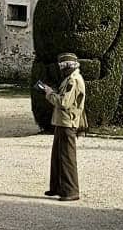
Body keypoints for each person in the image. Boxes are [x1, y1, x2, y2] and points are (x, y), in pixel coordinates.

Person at [37, 52, 87, 202]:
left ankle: (71, 190)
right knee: (58, 157)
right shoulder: (70, 79)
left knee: (67, 158)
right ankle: (57, 187)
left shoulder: (74, 80)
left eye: (62, 66)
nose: (60, 69)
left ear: (67, 66)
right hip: (62, 122)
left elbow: (64, 102)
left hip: (68, 123)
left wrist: (49, 93)